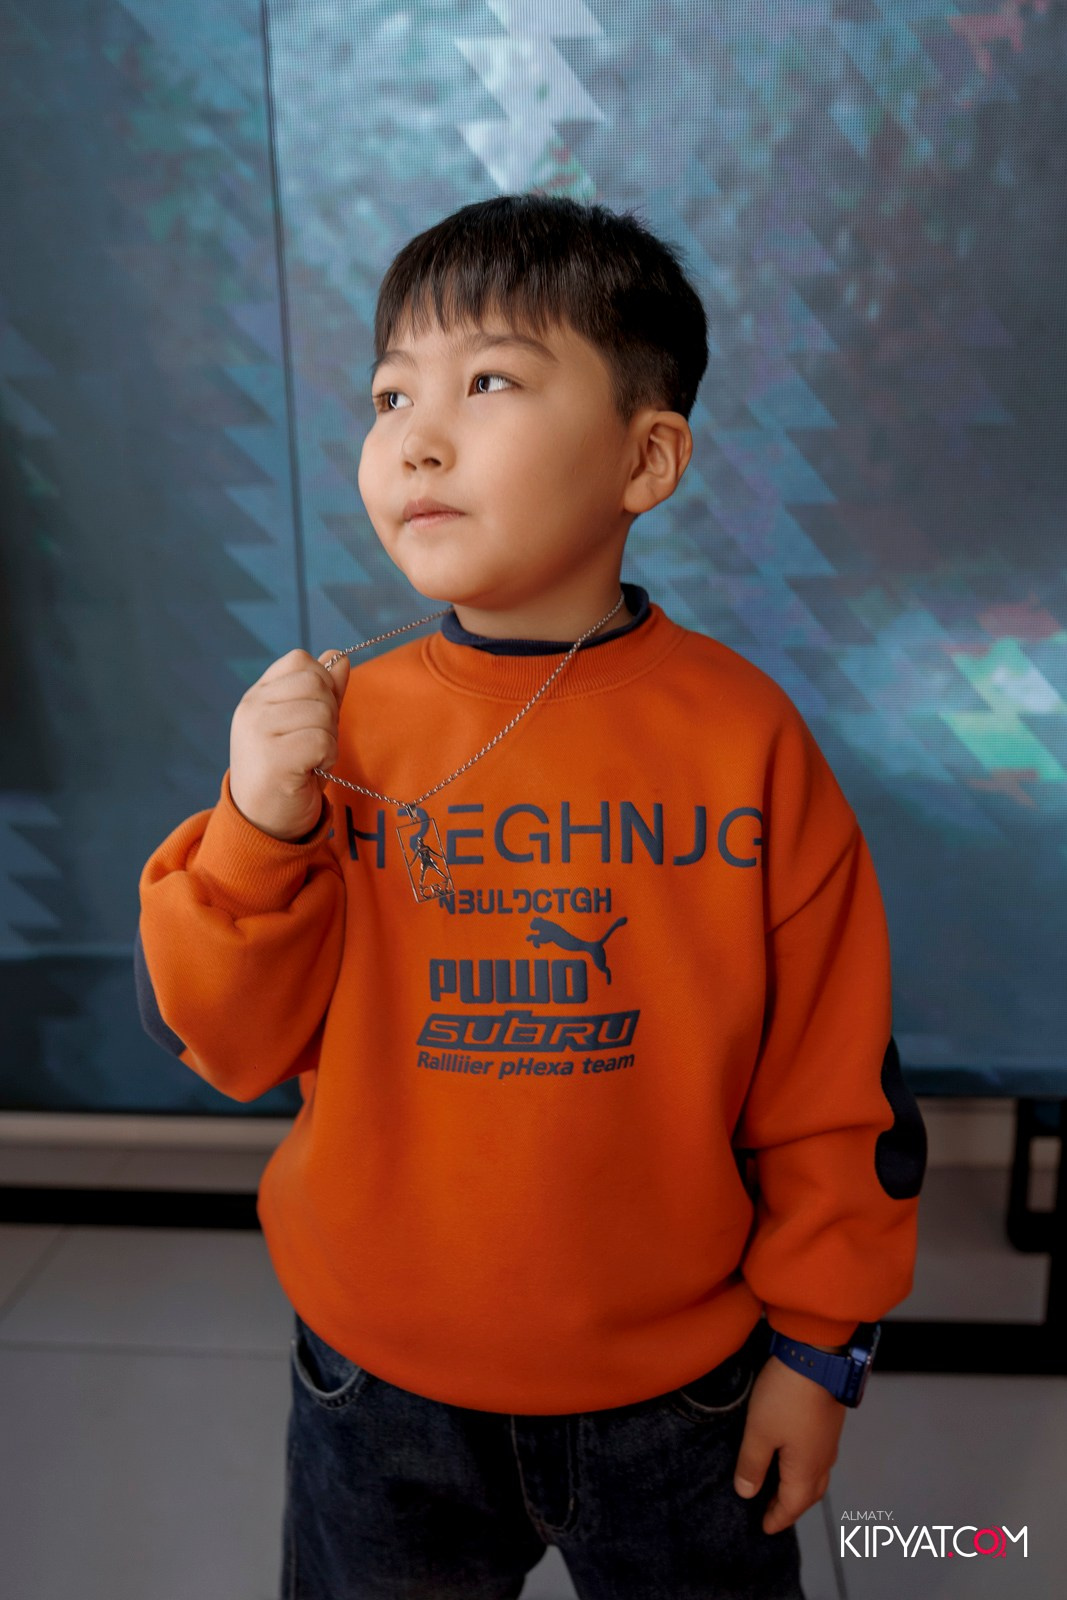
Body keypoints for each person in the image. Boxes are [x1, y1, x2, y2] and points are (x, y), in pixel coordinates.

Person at [135, 194, 927, 1600]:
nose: (417, 438)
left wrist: (822, 1347)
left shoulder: (744, 740)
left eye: (490, 381)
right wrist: (256, 829)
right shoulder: (334, 731)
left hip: (682, 1395)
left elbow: (834, 1081)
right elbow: (232, 1043)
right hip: (375, 1385)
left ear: (645, 458)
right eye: (392, 395)